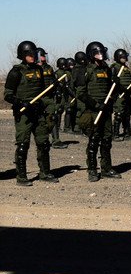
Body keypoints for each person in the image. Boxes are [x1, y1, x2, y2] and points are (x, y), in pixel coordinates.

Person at [4, 42, 60, 185]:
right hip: (23, 114)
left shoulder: (38, 70)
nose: (33, 57)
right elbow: (8, 95)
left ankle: (45, 173)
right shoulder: (16, 72)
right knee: (23, 144)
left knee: (43, 143)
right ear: (22, 55)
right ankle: (21, 177)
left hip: (38, 112)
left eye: (34, 54)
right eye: (30, 54)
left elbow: (42, 92)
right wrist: (21, 103)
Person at [76, 42, 123, 182]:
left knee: (107, 140)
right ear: (91, 55)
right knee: (94, 139)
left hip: (106, 110)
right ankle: (92, 170)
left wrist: (116, 84)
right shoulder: (85, 70)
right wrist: (96, 105)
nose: (101, 56)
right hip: (93, 110)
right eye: (97, 53)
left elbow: (111, 90)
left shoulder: (107, 69)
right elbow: (81, 93)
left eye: (102, 53)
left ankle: (107, 168)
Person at [111, 48, 131, 141]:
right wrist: (120, 87)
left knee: (127, 114)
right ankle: (115, 134)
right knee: (119, 113)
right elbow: (112, 81)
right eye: (122, 57)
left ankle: (127, 133)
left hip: (127, 94)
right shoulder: (114, 67)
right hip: (119, 94)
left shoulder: (126, 68)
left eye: (125, 57)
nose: (124, 59)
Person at [51, 57, 71, 148]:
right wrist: (58, 91)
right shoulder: (56, 74)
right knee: (57, 113)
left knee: (62, 111)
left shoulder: (66, 73)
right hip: (59, 96)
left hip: (65, 96)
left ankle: (59, 129)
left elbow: (67, 85)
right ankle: (56, 130)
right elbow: (54, 84)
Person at [70, 51, 89, 133]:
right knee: (81, 109)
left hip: (86, 91)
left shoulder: (86, 68)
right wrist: (74, 94)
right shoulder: (76, 69)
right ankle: (78, 127)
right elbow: (72, 83)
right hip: (80, 92)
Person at [62, 57, 77, 133]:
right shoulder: (66, 74)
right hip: (68, 95)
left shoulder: (73, 73)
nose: (72, 66)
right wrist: (73, 94)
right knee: (68, 110)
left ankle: (73, 126)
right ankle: (67, 128)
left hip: (73, 93)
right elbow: (67, 86)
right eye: (71, 65)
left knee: (74, 110)